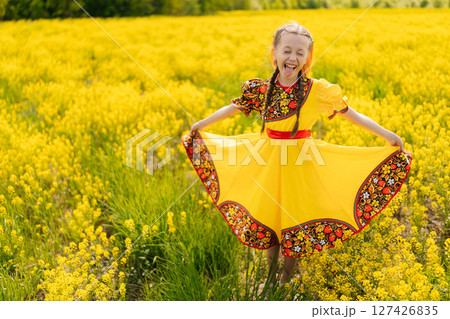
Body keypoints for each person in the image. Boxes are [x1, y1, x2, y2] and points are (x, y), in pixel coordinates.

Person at [181, 22, 412, 289]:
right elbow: (231, 108)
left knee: (294, 220)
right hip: (267, 161)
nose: (293, 58)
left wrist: (387, 135)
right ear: (274, 54)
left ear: (308, 58)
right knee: (271, 218)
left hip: (302, 164)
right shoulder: (261, 89)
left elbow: (352, 115)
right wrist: (201, 125)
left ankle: (286, 279)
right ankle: (270, 276)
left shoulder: (317, 90)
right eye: (287, 51)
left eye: (300, 53)